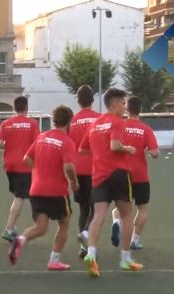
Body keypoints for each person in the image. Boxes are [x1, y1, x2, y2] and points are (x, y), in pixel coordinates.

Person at [79, 88, 142, 278]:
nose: (125, 106)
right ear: (114, 104)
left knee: (98, 216)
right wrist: (129, 149)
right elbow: (115, 146)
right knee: (127, 214)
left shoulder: (94, 124)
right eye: (123, 103)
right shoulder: (117, 121)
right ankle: (125, 258)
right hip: (118, 173)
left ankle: (91, 254)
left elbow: (82, 149)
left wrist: (99, 155)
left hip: (99, 175)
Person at [9, 106, 79, 271]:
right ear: (69, 122)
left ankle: (21, 240)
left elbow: (27, 158)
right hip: (56, 190)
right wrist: (74, 182)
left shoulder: (41, 137)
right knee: (64, 222)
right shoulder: (66, 141)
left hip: (36, 189)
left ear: (53, 120)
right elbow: (69, 166)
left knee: (41, 227)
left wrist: (40, 169)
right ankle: (54, 260)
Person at [111, 97, 159, 250]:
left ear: (127, 109)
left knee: (120, 208)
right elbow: (155, 152)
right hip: (140, 175)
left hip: (121, 174)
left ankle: (116, 222)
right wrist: (149, 150)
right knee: (142, 208)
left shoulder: (119, 126)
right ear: (140, 109)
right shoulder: (146, 129)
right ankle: (135, 240)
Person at [0, 96, 40, 242]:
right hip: (24, 165)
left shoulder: (6, 123)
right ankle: (9, 228)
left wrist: (11, 146)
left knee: (19, 195)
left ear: (14, 108)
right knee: (20, 197)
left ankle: (12, 227)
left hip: (9, 165)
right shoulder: (32, 123)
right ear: (26, 108)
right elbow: (37, 144)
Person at [68, 85, 101, 258]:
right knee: (97, 208)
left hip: (78, 170)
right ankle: (87, 234)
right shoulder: (100, 119)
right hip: (97, 169)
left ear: (78, 101)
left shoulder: (72, 121)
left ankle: (83, 246)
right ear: (93, 100)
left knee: (83, 209)